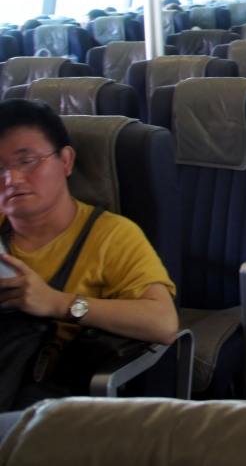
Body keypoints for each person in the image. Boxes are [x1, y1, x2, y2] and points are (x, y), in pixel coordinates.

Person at [0, 100, 178, 406]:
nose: (12, 179)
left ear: (66, 161)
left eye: (27, 161)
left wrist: (58, 303)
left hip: (40, 401)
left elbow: (162, 323)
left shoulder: (111, 235)